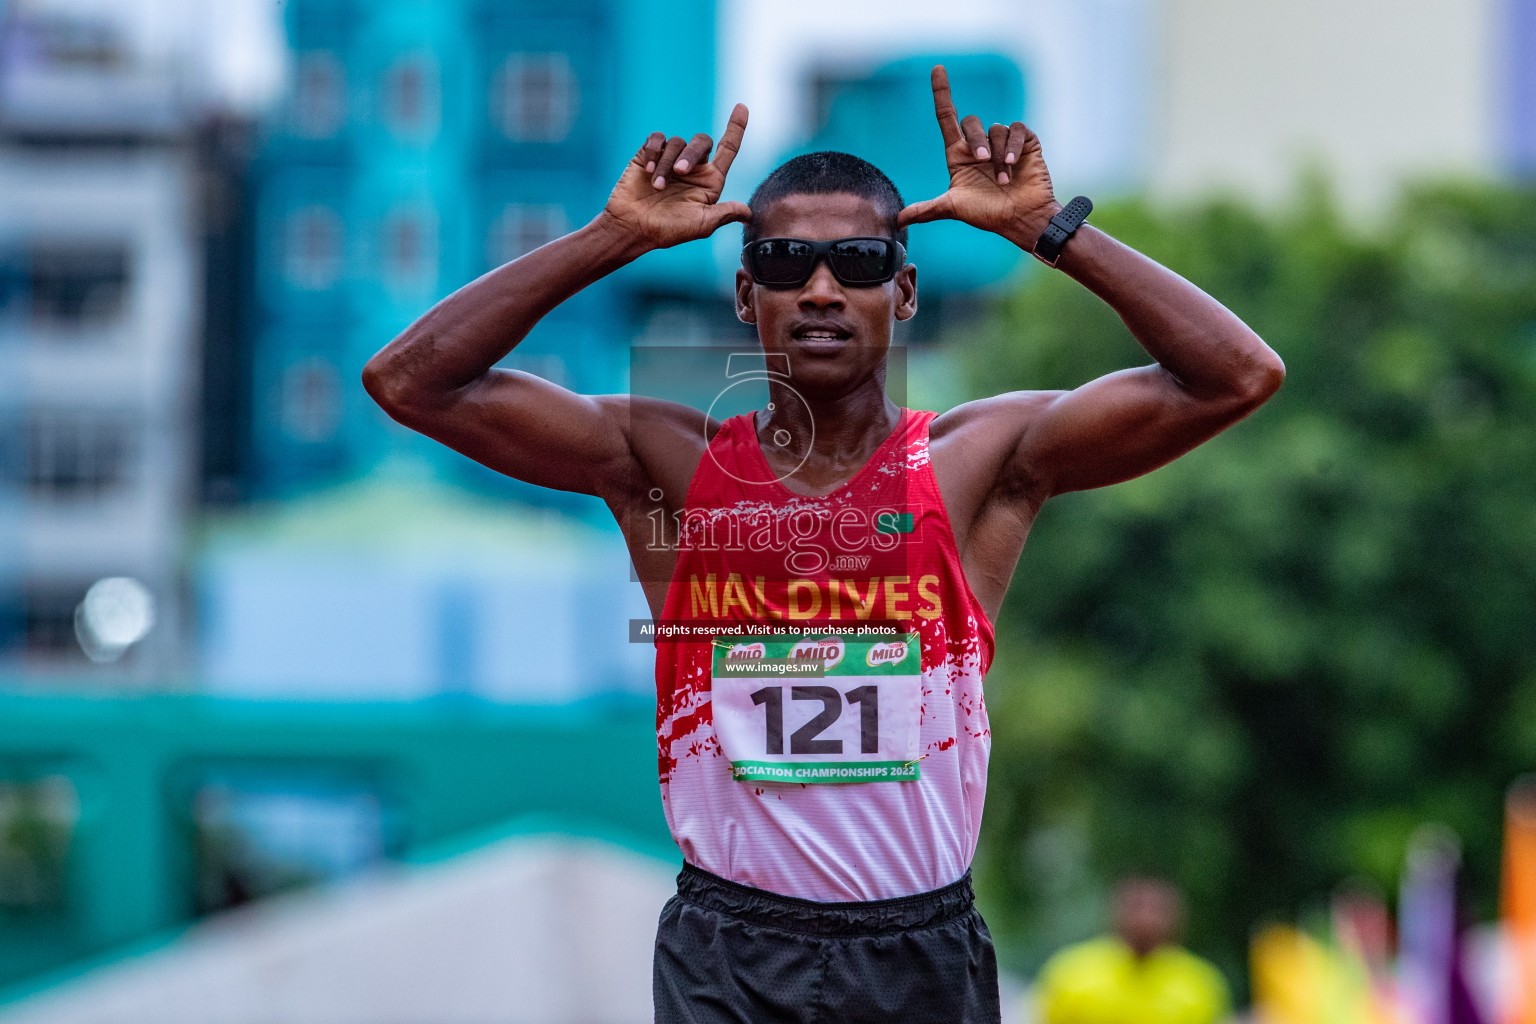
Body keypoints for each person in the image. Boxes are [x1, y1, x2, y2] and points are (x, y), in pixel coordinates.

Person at [363, 66, 1282, 1024]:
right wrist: (616, 238)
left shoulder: (976, 463)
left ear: (908, 291)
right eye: (785, 261)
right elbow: (410, 383)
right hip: (730, 953)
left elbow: (1237, 376)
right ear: (743, 294)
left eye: (859, 263)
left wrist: (1046, 233)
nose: (820, 289)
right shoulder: (661, 463)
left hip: (918, 952)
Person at [1033, 877, 1231, 1024]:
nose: (1146, 918)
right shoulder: (1070, 974)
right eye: (1137, 906)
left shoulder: (1202, 984)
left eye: (1156, 909)